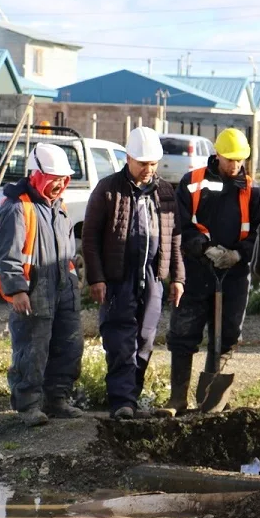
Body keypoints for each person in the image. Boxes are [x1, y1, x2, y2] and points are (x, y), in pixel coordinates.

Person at [82, 126, 186, 420]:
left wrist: (177, 277)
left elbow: (175, 237)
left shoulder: (165, 191)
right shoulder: (107, 189)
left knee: (145, 340)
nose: (148, 170)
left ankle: (132, 398)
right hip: (117, 279)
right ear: (128, 158)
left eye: (153, 164)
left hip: (152, 278)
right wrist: (97, 278)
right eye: (143, 164)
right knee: (119, 340)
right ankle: (121, 402)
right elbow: (90, 237)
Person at [166, 127, 260, 415]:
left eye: (238, 161)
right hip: (197, 271)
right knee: (183, 333)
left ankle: (211, 400)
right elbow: (181, 224)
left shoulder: (252, 190)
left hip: (233, 276)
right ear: (217, 155)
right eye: (229, 160)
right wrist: (204, 248)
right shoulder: (192, 182)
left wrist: (238, 254)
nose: (234, 166)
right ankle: (177, 399)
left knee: (225, 336)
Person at [0, 142, 84, 427]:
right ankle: (28, 405)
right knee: (32, 349)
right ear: (37, 174)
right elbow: (7, 255)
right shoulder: (18, 208)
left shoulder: (59, 206)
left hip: (63, 288)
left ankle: (57, 400)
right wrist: (17, 290)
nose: (59, 184)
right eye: (54, 178)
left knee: (68, 347)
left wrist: (73, 278)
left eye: (63, 178)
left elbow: (66, 251)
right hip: (34, 291)